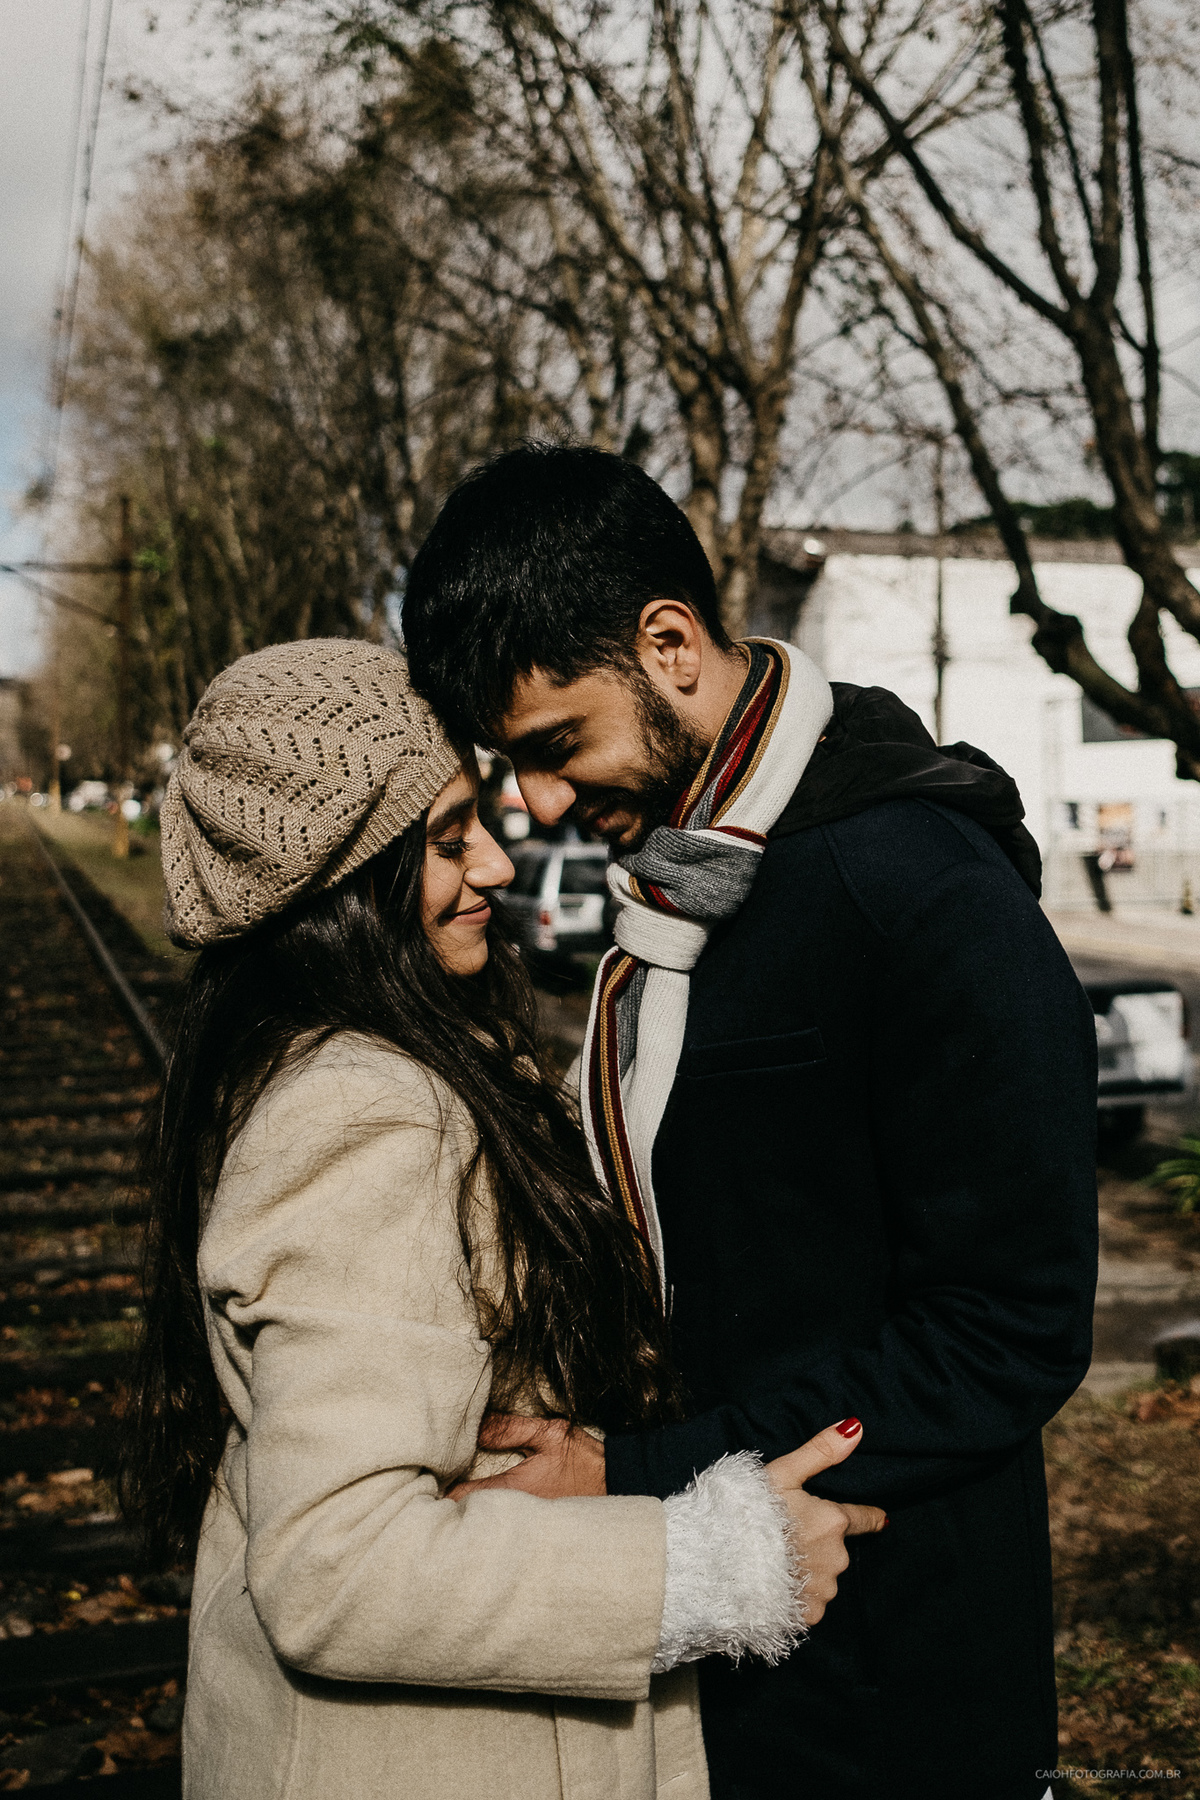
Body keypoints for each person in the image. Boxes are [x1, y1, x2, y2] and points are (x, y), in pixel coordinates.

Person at [402, 443, 1100, 1800]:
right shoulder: (690, 882)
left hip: (893, 1685)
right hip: (721, 1641)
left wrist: (632, 1468)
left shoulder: (917, 891)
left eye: (555, 748)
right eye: (511, 764)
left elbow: (1008, 1333)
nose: (537, 804)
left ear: (669, 645)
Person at [121, 638, 885, 1800]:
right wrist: (723, 1564)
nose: (492, 860)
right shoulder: (366, 1111)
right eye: (443, 841)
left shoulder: (318, 1056)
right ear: (340, 886)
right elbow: (339, 1566)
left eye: (475, 819)